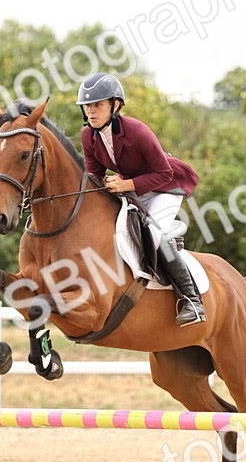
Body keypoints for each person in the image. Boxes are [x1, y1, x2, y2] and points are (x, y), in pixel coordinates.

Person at [76, 71, 206, 326]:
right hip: (133, 188)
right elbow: (94, 175)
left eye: (98, 105)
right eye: (87, 106)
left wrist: (125, 184)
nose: (91, 111)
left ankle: (193, 301)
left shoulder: (137, 131)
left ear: (115, 105)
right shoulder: (88, 136)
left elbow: (163, 172)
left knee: (154, 235)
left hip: (166, 186)